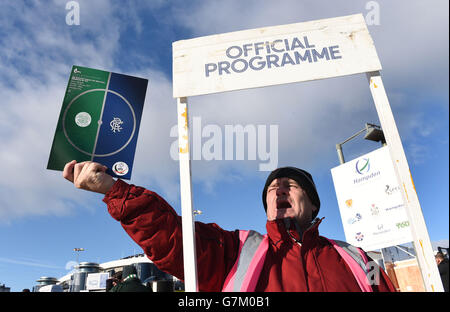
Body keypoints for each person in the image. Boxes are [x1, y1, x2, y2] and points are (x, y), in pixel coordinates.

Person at [63, 160, 396, 292]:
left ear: (313, 203)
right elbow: (170, 238)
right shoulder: (236, 249)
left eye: (290, 185)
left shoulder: (357, 259)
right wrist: (114, 190)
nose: (279, 189)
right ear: (266, 206)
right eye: (271, 189)